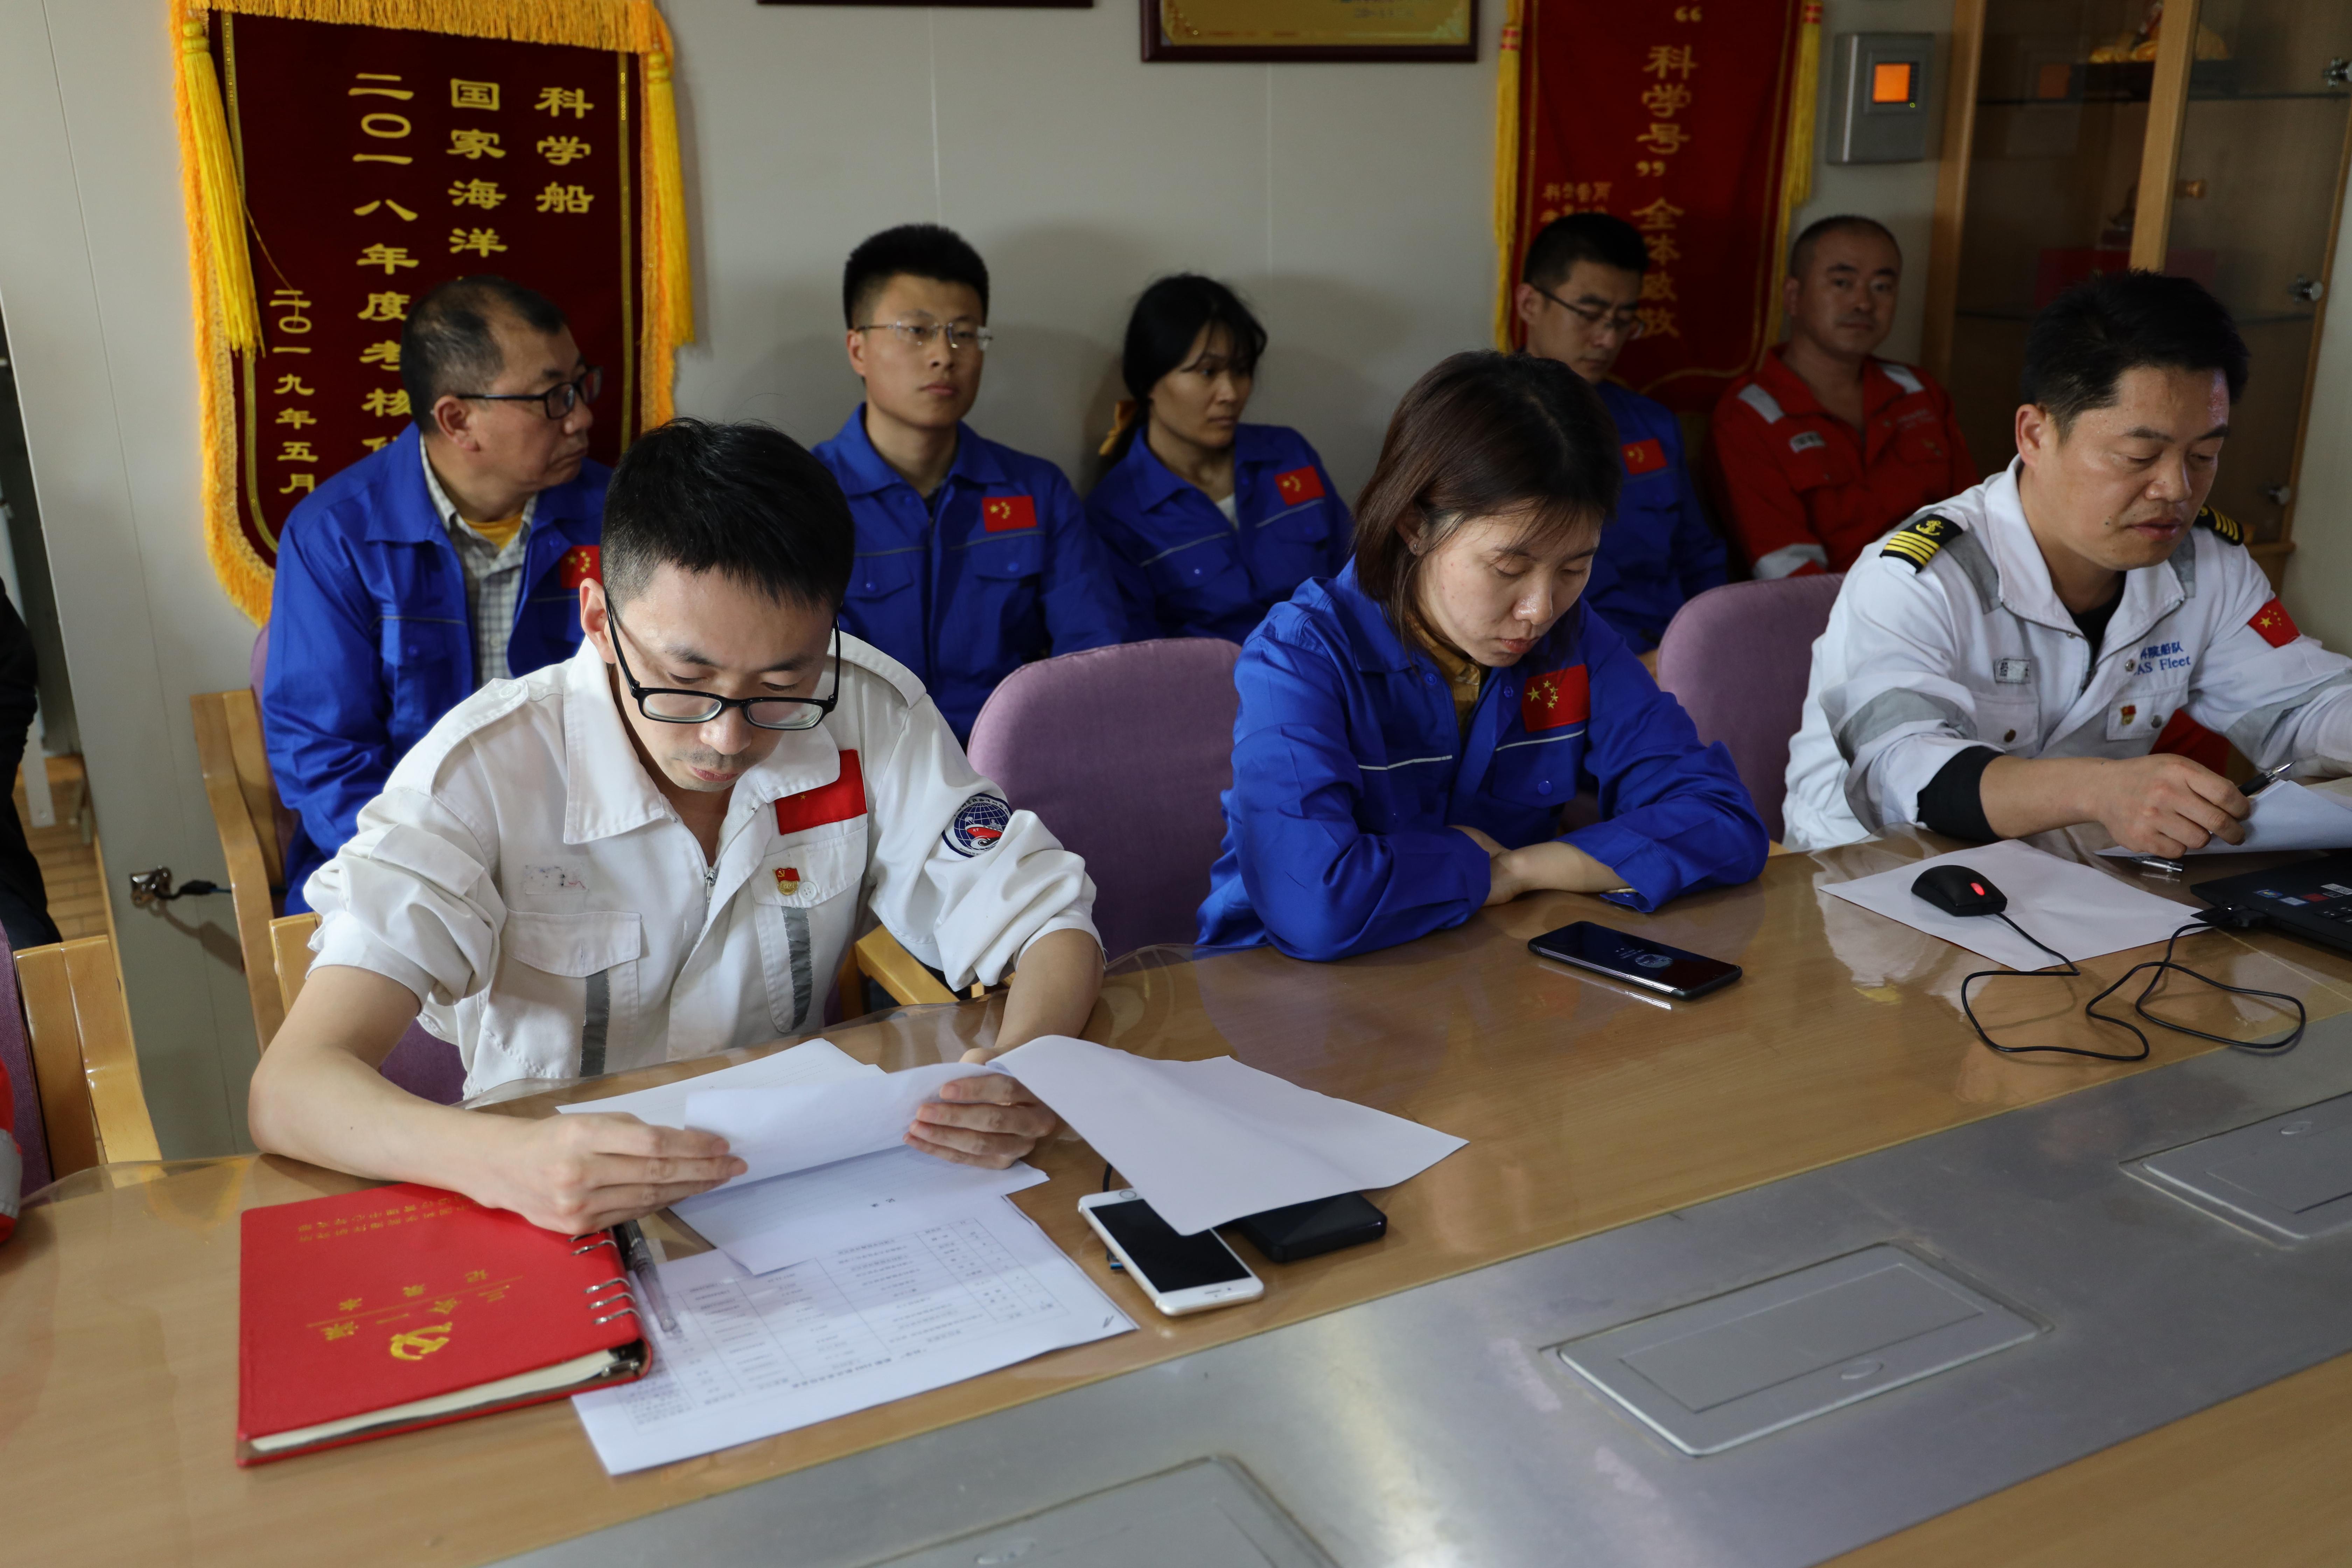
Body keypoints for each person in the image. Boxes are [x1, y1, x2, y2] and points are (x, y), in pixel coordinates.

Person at [248, 420, 1103, 1234]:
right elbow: (291, 1089)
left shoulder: (867, 709)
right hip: (559, 1203)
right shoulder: (481, 773)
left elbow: (1046, 917)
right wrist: (502, 1160)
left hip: (792, 1180)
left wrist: (1027, 1067)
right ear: (598, 620)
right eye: (685, 681)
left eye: (781, 684)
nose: (728, 738)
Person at [1198, 352, 1768, 962]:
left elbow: (1723, 820)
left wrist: (1519, 870)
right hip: (1281, 987)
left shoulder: (1574, 639)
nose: (1540, 610)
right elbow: (1314, 905)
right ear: (1415, 525)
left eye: (1574, 569)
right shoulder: (1299, 658)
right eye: (1509, 569)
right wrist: (1473, 866)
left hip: (1480, 968)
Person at [1783, 271, 2352, 854]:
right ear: (2035, 435)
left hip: (2072, 878)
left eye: (2204, 456)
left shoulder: (2205, 564)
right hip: (1871, 879)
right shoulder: (1919, 577)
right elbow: (1903, 773)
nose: (2177, 489)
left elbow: (2301, 708)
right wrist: (2100, 791)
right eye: (2140, 456)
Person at [264, 276, 609, 913]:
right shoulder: (336, 535)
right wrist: (433, 879)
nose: (582, 416)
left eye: (581, 384)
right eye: (554, 397)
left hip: (585, 848)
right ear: (458, 420)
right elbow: (323, 757)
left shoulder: (618, 518)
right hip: (398, 862)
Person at [814, 224, 1125, 743]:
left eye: (964, 332)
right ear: (858, 349)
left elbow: (1095, 655)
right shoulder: (803, 499)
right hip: (862, 768)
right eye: (917, 331)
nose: (945, 354)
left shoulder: (1035, 492)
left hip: (1014, 764)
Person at [1085, 275, 1351, 643]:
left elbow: (1357, 580)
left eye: (1240, 371)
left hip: (1335, 668)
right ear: (1148, 381)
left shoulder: (1289, 456)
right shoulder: (1117, 514)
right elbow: (1143, 660)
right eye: (1207, 372)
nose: (1230, 393)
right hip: (1215, 680)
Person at [1710, 216, 1977, 580]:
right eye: (1842, 283)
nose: (1864, 303)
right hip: (1828, 610)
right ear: (1793, 296)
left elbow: (1972, 519)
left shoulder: (1919, 392)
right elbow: (1788, 572)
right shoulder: (1749, 416)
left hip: (1945, 599)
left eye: (1882, 287)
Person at [1515, 214, 1725, 655]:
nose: (1608, 340)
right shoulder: (1478, 425)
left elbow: (1699, 560)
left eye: (1624, 319)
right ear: (1530, 303)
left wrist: (1706, 648)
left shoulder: (1652, 425)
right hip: (1555, 659)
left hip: (1674, 651)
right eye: (1589, 315)